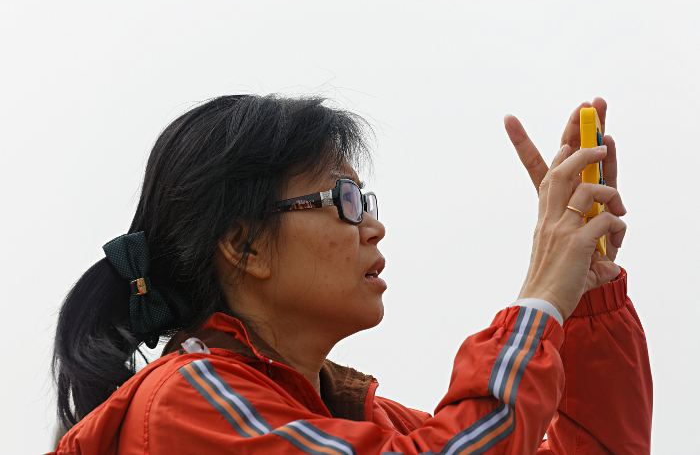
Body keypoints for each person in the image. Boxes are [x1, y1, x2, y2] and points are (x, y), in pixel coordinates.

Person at [50, 95, 652, 455]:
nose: (373, 228)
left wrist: (587, 294)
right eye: (343, 200)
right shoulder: (188, 406)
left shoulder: (359, 419)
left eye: (369, 202)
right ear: (245, 245)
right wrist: (541, 299)